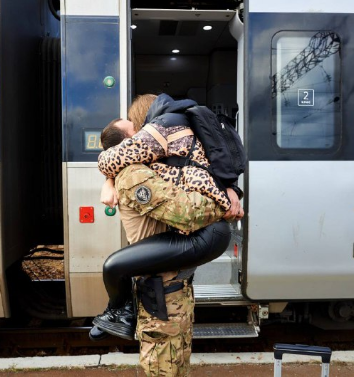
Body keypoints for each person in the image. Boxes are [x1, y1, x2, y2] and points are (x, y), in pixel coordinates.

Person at [91, 94, 244, 376]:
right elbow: (185, 213)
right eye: (138, 132)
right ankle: (117, 312)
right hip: (161, 296)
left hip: (176, 290)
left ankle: (118, 312)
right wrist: (223, 202)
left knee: (178, 367)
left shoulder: (154, 168)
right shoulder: (135, 174)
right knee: (164, 370)